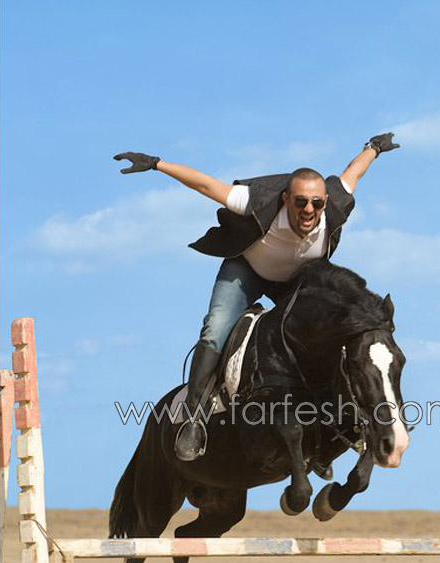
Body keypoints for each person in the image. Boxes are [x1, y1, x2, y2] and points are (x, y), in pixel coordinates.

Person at [114, 132, 400, 461]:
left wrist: (374, 148)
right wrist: (155, 164)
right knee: (217, 326)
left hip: (296, 282)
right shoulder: (256, 200)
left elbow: (354, 171)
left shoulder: (335, 202)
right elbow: (206, 185)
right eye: (300, 202)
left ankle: (333, 426)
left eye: (317, 203)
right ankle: (193, 419)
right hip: (247, 271)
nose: (309, 210)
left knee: (329, 335)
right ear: (285, 199)